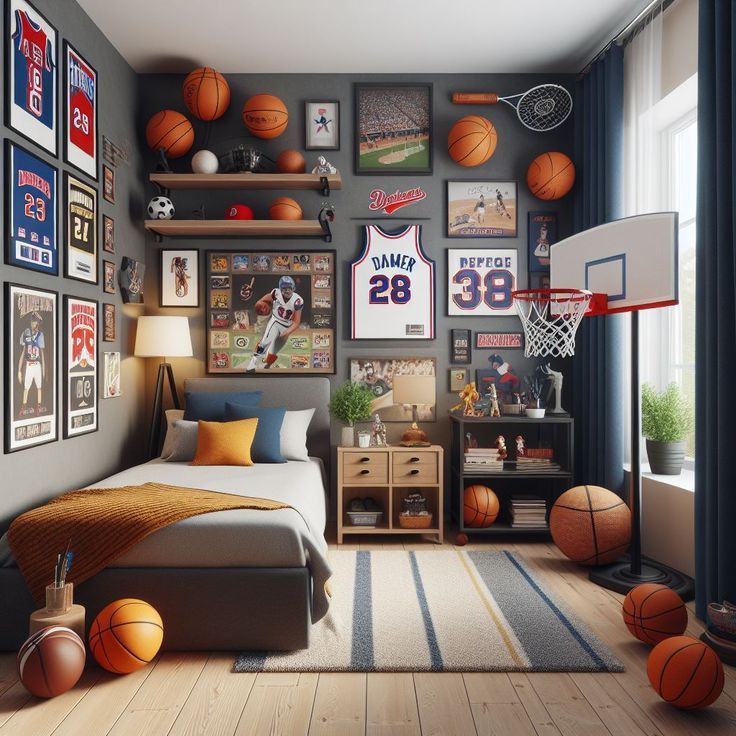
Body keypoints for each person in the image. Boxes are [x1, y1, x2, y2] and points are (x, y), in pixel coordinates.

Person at [246, 276, 303, 372]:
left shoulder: (298, 300)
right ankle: (252, 363)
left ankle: (267, 364)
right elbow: (262, 301)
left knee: (275, 350)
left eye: (290, 288)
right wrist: (260, 305)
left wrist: (287, 332)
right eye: (284, 288)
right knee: (265, 342)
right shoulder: (275, 293)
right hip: (276, 322)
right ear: (281, 289)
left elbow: (296, 322)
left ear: (294, 288)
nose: (287, 291)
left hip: (287, 326)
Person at [18, 311, 46, 417]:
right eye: (33, 322)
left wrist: (44, 368)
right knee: (26, 387)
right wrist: (19, 370)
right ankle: (23, 406)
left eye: (36, 322)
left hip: (37, 365)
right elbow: (23, 352)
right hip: (29, 364)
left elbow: (42, 353)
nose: (34, 324)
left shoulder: (40, 335)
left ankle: (38, 406)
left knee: (39, 386)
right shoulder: (26, 332)